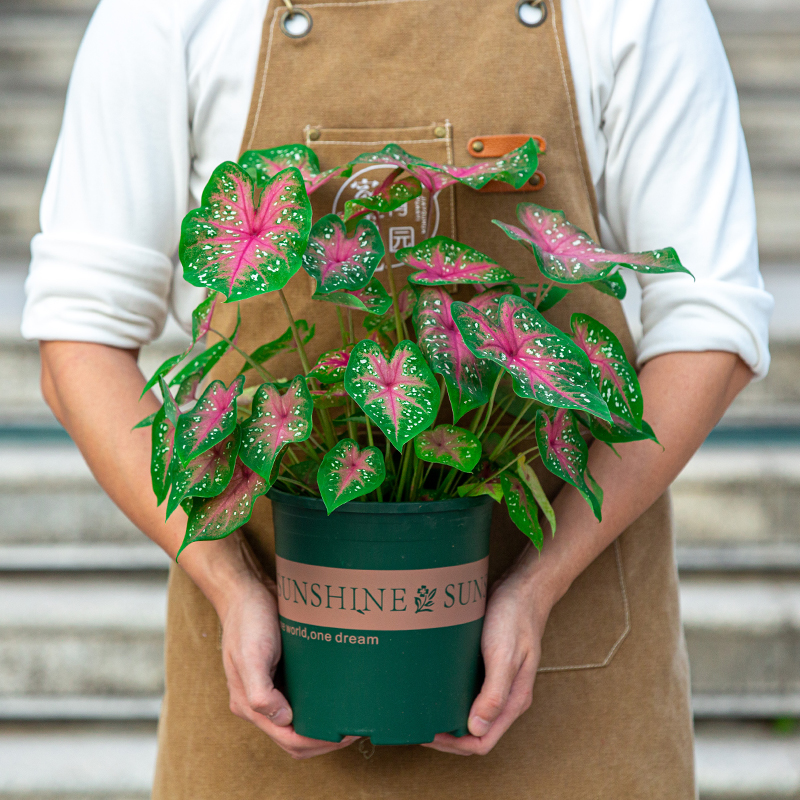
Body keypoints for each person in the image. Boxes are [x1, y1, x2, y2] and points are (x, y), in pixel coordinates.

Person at [22, 0, 772, 796]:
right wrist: (229, 583)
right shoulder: (174, 14)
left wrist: (538, 585)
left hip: (571, 664)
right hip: (272, 684)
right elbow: (80, 342)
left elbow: (712, 328)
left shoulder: (628, 10)